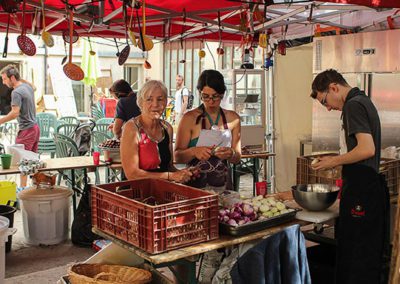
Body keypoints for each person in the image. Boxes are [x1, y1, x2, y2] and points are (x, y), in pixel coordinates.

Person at [310, 69, 389, 284]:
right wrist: (336, 158)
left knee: (357, 257)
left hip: (362, 190)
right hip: (366, 187)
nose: (327, 108)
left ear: (334, 87)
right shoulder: (363, 100)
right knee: (363, 254)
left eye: (325, 100)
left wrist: (333, 162)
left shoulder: (353, 105)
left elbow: (366, 149)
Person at [175, 69, 241, 192]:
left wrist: (231, 153)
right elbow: (177, 156)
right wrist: (194, 151)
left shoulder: (233, 119)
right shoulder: (189, 119)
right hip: (195, 186)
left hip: (224, 185)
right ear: (200, 93)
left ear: (222, 94)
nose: (210, 101)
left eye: (215, 96)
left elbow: (237, 157)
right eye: (205, 97)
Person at [120, 80, 192, 183]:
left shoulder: (167, 128)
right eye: (149, 99)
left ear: (166, 102)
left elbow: (169, 167)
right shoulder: (132, 128)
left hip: (162, 192)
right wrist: (170, 176)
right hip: (136, 193)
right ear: (140, 102)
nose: (155, 104)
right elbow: (132, 174)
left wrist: (184, 173)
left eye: (160, 99)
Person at [0, 64, 39, 187]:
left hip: (27, 130)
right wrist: (20, 78)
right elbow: (34, 86)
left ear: (12, 78)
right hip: (35, 129)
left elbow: (14, 113)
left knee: (23, 163)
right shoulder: (27, 87)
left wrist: (0, 121)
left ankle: (22, 192)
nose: (3, 82)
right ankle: (34, 190)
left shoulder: (16, 92)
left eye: (5, 78)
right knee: (33, 162)